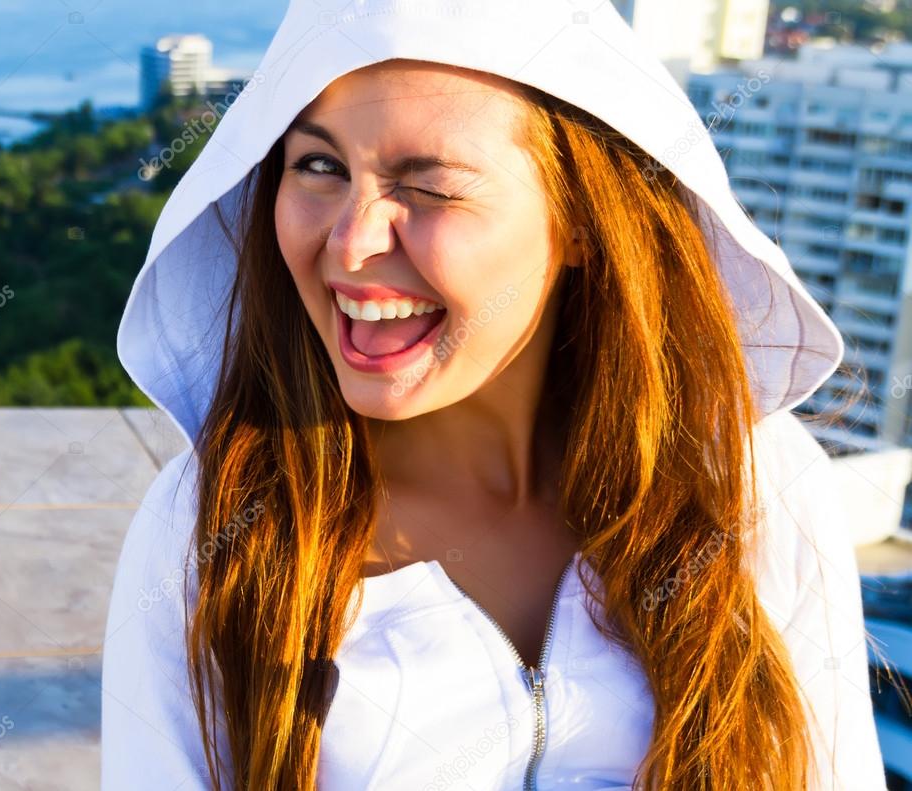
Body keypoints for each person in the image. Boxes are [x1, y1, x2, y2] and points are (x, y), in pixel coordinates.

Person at [100, 1, 889, 789]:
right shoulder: (213, 524)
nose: (350, 241)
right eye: (318, 167)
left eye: (430, 186)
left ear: (580, 221)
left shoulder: (756, 488)